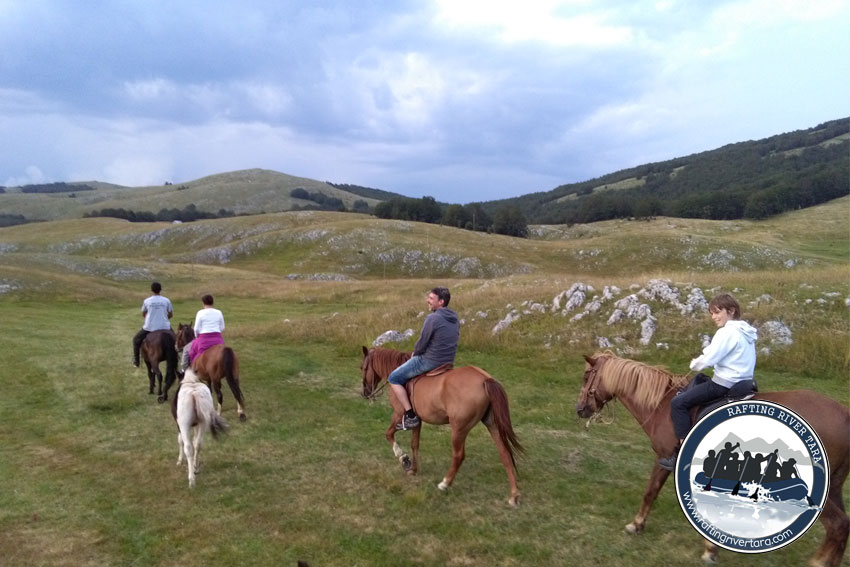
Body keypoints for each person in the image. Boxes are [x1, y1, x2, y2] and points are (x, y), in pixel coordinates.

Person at [658, 293, 758, 471]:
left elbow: (711, 357)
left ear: (731, 311)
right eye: (712, 313)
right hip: (743, 381)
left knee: (678, 402)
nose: (714, 317)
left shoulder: (727, 332)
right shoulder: (746, 332)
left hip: (724, 383)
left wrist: (695, 364)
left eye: (717, 312)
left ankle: (683, 453)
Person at [389, 287, 459, 430]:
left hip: (430, 360)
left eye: (431, 298)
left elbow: (423, 342)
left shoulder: (433, 318)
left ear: (441, 302)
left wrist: (416, 353)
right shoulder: (454, 317)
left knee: (394, 378)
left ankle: (410, 415)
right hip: (447, 361)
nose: (428, 300)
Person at [132, 281, 173, 367]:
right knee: (175, 341)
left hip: (150, 327)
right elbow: (170, 314)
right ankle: (178, 357)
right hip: (165, 326)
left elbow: (143, 313)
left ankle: (136, 360)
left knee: (136, 340)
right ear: (160, 290)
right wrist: (165, 318)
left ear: (151, 290)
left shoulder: (147, 301)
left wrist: (149, 319)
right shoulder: (166, 300)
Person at [181, 294, 225, 372]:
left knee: (187, 350)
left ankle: (186, 370)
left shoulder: (200, 313)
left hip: (204, 339)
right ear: (213, 302)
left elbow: (196, 329)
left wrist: (196, 336)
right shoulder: (219, 312)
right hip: (218, 339)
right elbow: (222, 327)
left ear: (203, 303)